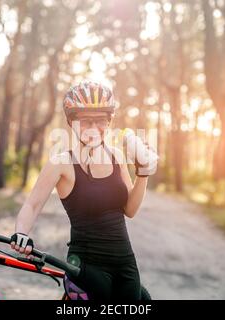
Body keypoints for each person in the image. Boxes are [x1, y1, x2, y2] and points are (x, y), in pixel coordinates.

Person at [10, 80, 157, 300]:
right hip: (86, 265)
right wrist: (21, 233)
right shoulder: (61, 163)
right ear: (72, 122)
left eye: (100, 121)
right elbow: (32, 205)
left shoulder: (116, 156)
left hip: (124, 262)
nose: (93, 128)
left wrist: (143, 173)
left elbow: (130, 209)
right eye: (86, 121)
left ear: (109, 122)